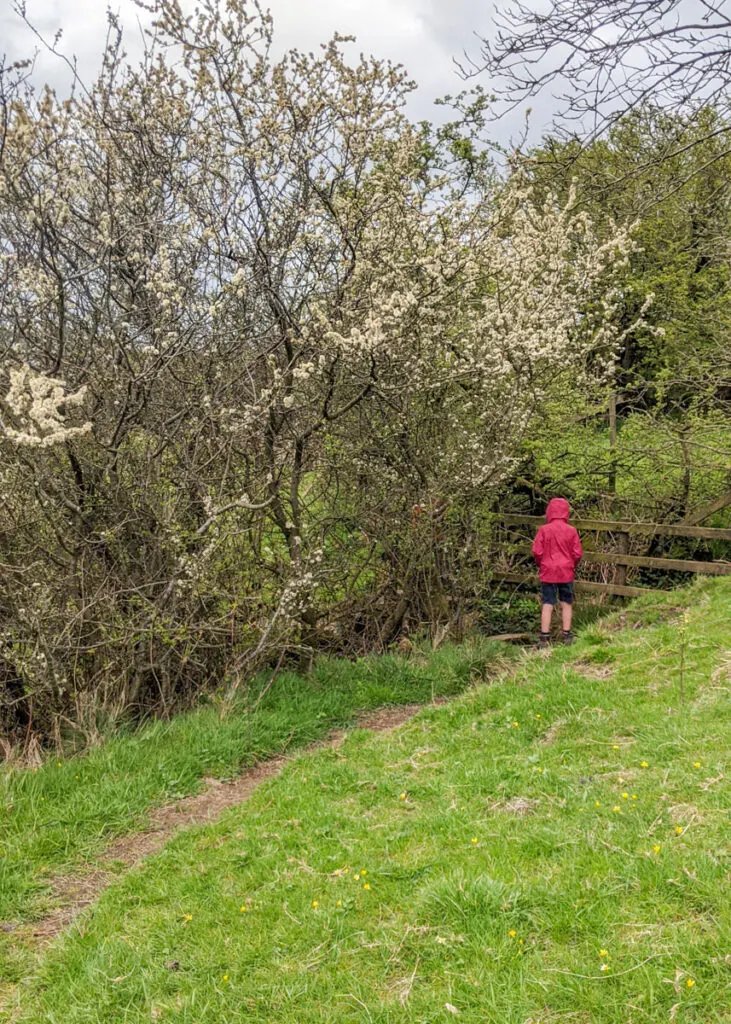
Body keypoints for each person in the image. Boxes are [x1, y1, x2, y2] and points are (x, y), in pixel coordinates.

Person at [531, 498, 583, 646]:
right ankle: (567, 636)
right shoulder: (571, 530)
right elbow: (577, 553)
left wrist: (541, 564)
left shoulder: (544, 530)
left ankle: (544, 638)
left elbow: (537, 551)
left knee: (547, 603)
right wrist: (571, 564)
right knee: (566, 602)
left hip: (548, 571)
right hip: (566, 571)